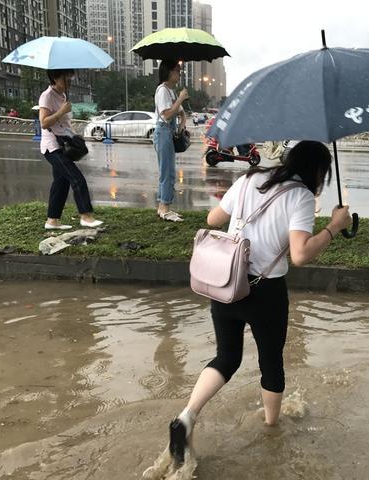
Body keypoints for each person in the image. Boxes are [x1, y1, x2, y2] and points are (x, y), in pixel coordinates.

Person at [144, 141, 352, 474]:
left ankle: (187, 417)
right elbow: (300, 254)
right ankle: (272, 430)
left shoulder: (249, 178)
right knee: (271, 362)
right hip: (265, 291)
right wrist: (333, 226)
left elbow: (214, 218)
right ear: (317, 172)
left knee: (227, 357)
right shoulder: (300, 196)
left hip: (226, 282)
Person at [38, 69, 102, 230]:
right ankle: (85, 215)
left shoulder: (62, 96)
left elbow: (64, 124)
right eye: (66, 80)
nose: (69, 83)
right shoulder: (47, 96)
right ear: (55, 78)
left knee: (61, 183)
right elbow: (44, 123)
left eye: (70, 80)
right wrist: (61, 111)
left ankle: (52, 220)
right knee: (77, 178)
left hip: (64, 144)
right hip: (52, 147)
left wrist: (74, 135)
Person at [153, 60, 188, 222]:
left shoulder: (171, 91)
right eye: (177, 70)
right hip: (163, 132)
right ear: (168, 71)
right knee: (167, 172)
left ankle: (162, 207)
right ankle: (165, 207)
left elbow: (180, 112)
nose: (179, 73)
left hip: (169, 132)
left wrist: (182, 121)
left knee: (167, 171)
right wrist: (180, 99)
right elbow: (167, 114)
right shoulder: (162, 91)